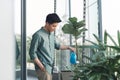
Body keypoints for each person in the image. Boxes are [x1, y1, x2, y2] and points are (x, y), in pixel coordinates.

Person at [29, 13, 75, 80]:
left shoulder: (52, 35)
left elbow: (57, 46)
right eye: (53, 26)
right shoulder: (38, 35)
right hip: (43, 68)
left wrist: (69, 47)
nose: (55, 28)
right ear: (47, 23)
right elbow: (32, 53)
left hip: (50, 67)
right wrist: (41, 66)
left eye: (56, 26)